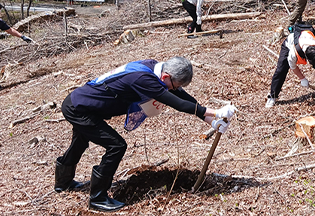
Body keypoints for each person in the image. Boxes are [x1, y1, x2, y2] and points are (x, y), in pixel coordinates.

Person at [55, 57, 236, 211]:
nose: (173, 89)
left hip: (83, 104)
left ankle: (63, 183)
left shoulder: (155, 69)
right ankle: (98, 198)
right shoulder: (144, 79)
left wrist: (210, 120)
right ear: (166, 76)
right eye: (173, 86)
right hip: (79, 108)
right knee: (116, 145)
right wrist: (215, 111)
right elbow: (177, 104)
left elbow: (182, 97)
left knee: (80, 142)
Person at [267, 23, 315, 108]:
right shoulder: (294, 52)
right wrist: (302, 79)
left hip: (307, 44)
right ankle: (272, 96)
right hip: (289, 44)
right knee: (281, 69)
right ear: (308, 59)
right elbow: (292, 66)